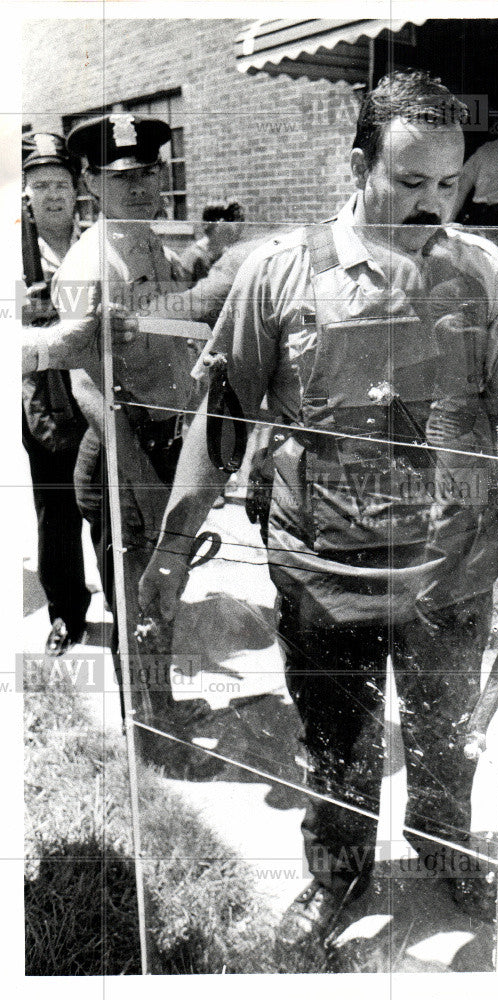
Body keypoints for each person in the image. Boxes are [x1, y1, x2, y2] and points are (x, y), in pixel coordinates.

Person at [139, 69, 498, 953]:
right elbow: (223, 424)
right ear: (360, 162)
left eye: (450, 184)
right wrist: (175, 548)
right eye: (410, 182)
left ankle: (442, 845)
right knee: (339, 737)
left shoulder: (483, 272)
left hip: (452, 564)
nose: (433, 205)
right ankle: (337, 873)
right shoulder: (280, 272)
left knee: (446, 735)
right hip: (321, 567)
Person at [51, 113, 197, 714]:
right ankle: (150, 733)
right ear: (92, 185)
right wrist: (136, 477)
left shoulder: (147, 242)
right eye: (122, 178)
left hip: (161, 437)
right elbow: (87, 383)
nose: (138, 187)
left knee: (159, 591)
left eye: (147, 172)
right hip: (120, 446)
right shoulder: (91, 262)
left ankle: (159, 711)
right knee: (137, 596)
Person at [21, 133, 92, 655]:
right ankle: (67, 611)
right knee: (57, 510)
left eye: (60, 184)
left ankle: (123, 593)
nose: (52, 195)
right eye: (40, 184)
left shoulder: (96, 243)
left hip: (97, 391)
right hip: (43, 400)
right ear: (26, 191)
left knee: (110, 501)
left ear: (77, 190)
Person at [180, 201, 245, 282]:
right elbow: (182, 292)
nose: (240, 229)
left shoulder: (227, 255)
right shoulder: (192, 257)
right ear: (220, 224)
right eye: (236, 222)